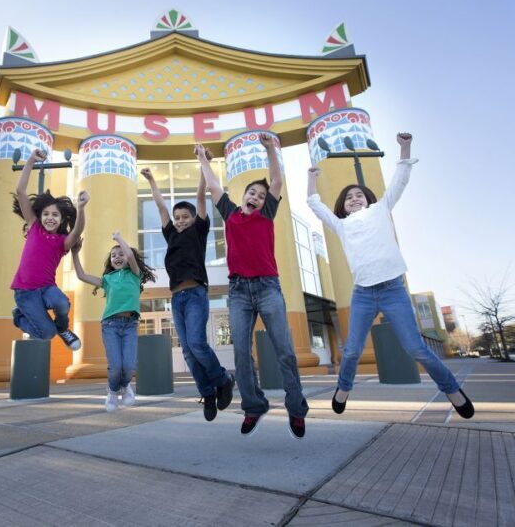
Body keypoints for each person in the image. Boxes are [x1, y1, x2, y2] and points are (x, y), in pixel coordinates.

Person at [306, 132, 474, 419]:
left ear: (368, 199)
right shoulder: (341, 225)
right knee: (351, 351)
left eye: (359, 195)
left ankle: (452, 390)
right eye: (349, 198)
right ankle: (343, 388)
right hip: (363, 293)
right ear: (342, 207)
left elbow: (400, 181)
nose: (354, 199)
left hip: (393, 290)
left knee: (416, 348)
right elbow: (314, 203)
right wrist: (312, 178)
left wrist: (405, 148)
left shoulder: (380, 209)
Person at [198, 134, 308, 439]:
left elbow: (277, 181)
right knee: (242, 354)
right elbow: (213, 185)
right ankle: (254, 405)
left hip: (268, 288)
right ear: (243, 195)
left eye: (260, 195)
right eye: (252, 193)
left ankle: (296, 408)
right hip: (238, 292)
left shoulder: (267, 213)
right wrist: (203, 159)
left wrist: (271, 149)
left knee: (284, 350)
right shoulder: (231, 214)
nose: (256, 197)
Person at [141, 162, 234, 422]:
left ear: (194, 219)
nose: (181, 221)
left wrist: (203, 169)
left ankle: (223, 379)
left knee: (196, 343)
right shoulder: (171, 234)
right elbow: (161, 207)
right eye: (178, 217)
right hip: (177, 298)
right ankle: (208, 393)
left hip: (195, 294)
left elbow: (200, 198)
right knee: (187, 351)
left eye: (185, 217)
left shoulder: (199, 231)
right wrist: (151, 180)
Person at [11, 148, 88, 350]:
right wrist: (30, 160)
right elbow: (20, 191)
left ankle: (63, 329)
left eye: (55, 215)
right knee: (47, 334)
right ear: (40, 216)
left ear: (61, 219)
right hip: (25, 292)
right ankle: (19, 317)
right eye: (46, 214)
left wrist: (81, 208)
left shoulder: (62, 242)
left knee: (62, 303)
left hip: (47, 288)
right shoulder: (34, 226)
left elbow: (78, 230)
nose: (50, 218)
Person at [71, 232, 156, 412]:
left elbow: (131, 255)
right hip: (110, 325)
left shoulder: (135, 274)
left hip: (130, 325)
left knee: (129, 365)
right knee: (116, 366)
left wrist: (118, 238)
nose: (117, 257)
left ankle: (125, 386)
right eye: (113, 255)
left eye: (120, 254)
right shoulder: (107, 280)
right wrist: (75, 253)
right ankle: (112, 390)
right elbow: (81, 275)